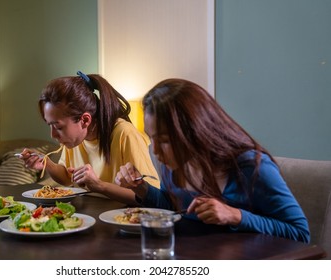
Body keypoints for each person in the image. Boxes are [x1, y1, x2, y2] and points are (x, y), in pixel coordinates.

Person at [114, 78, 310, 243]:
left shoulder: (251, 167)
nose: (155, 151)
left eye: (165, 140)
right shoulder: (173, 165)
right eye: (152, 138)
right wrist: (141, 188)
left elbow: (301, 233)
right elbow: (174, 209)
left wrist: (236, 216)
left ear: (195, 131)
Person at [21, 71, 159, 204]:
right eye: (49, 125)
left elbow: (149, 196)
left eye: (58, 127)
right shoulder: (75, 139)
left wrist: (99, 185)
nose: (53, 135)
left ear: (85, 120)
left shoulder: (125, 134)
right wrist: (46, 163)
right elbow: (66, 177)